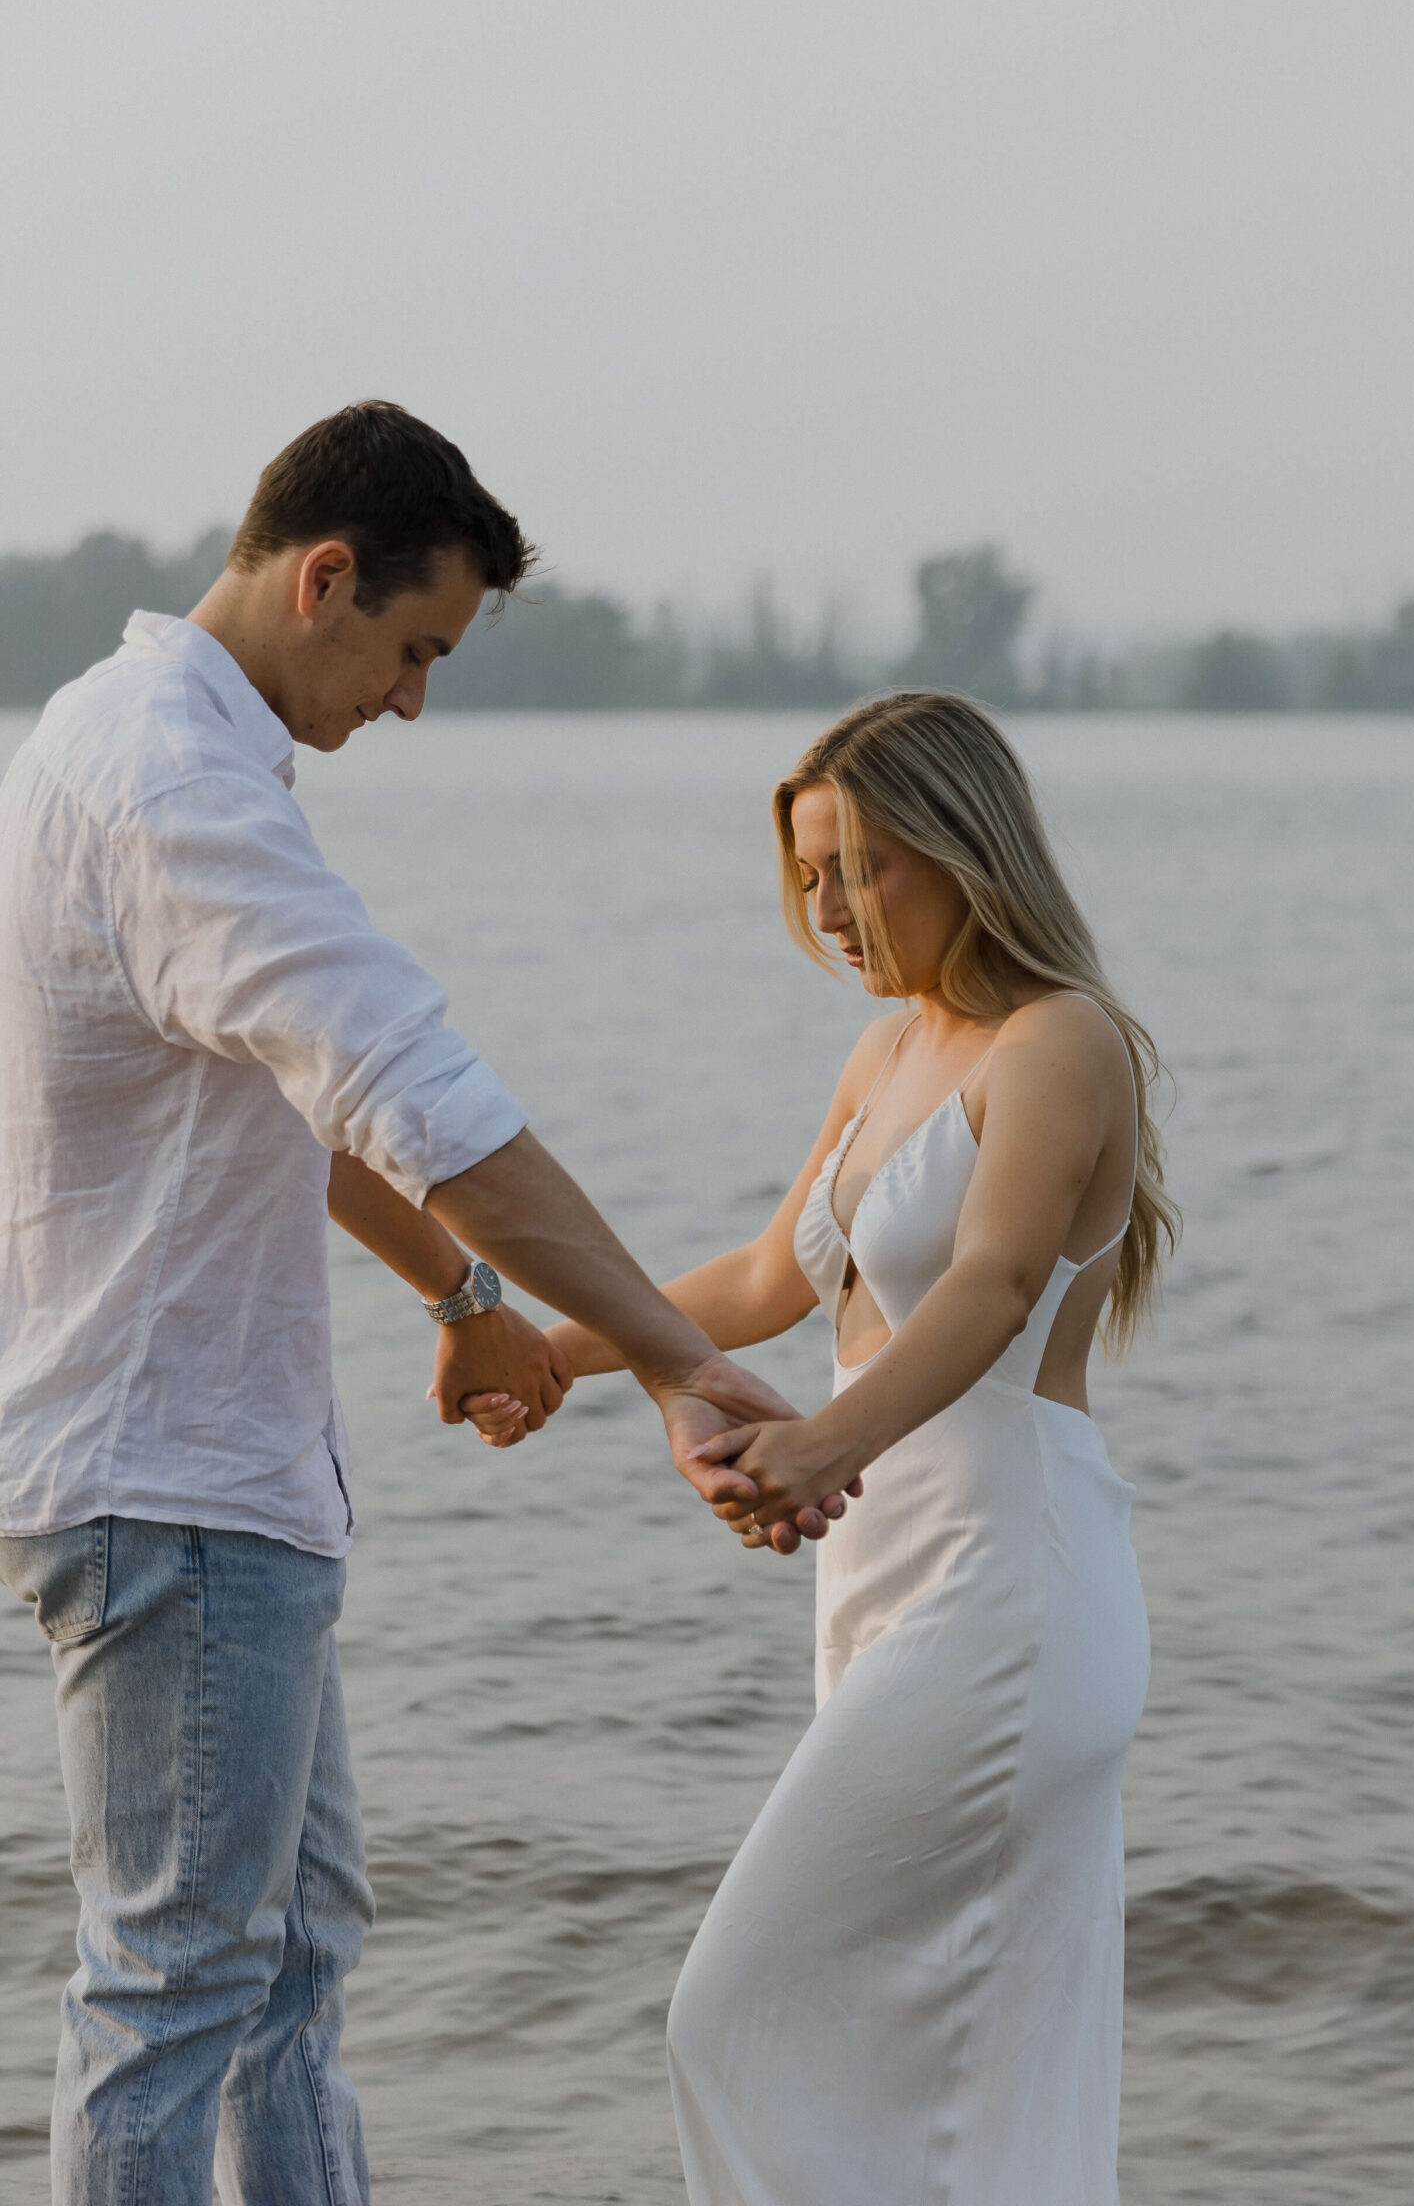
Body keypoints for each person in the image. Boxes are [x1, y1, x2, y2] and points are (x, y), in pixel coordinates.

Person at [0, 400, 837, 2206]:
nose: (412, 702)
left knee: (289, 1962)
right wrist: (683, 1366)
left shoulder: (112, 738)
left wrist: (463, 1292)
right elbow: (422, 1093)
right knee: (174, 1988)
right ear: (324, 580)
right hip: (177, 1488)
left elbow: (287, 1099)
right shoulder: (173, 788)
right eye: (412, 648)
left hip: (203, 1479)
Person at [473, 690, 1177, 2206]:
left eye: (860, 867)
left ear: (962, 846)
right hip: (880, 1575)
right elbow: (760, 1283)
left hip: (1011, 1584)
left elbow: (990, 1288)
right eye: (808, 876)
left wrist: (816, 1450)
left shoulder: (1060, 1043)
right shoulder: (885, 1055)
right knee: (929, 2048)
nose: (830, 909)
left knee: (739, 2008)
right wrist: (555, 1352)